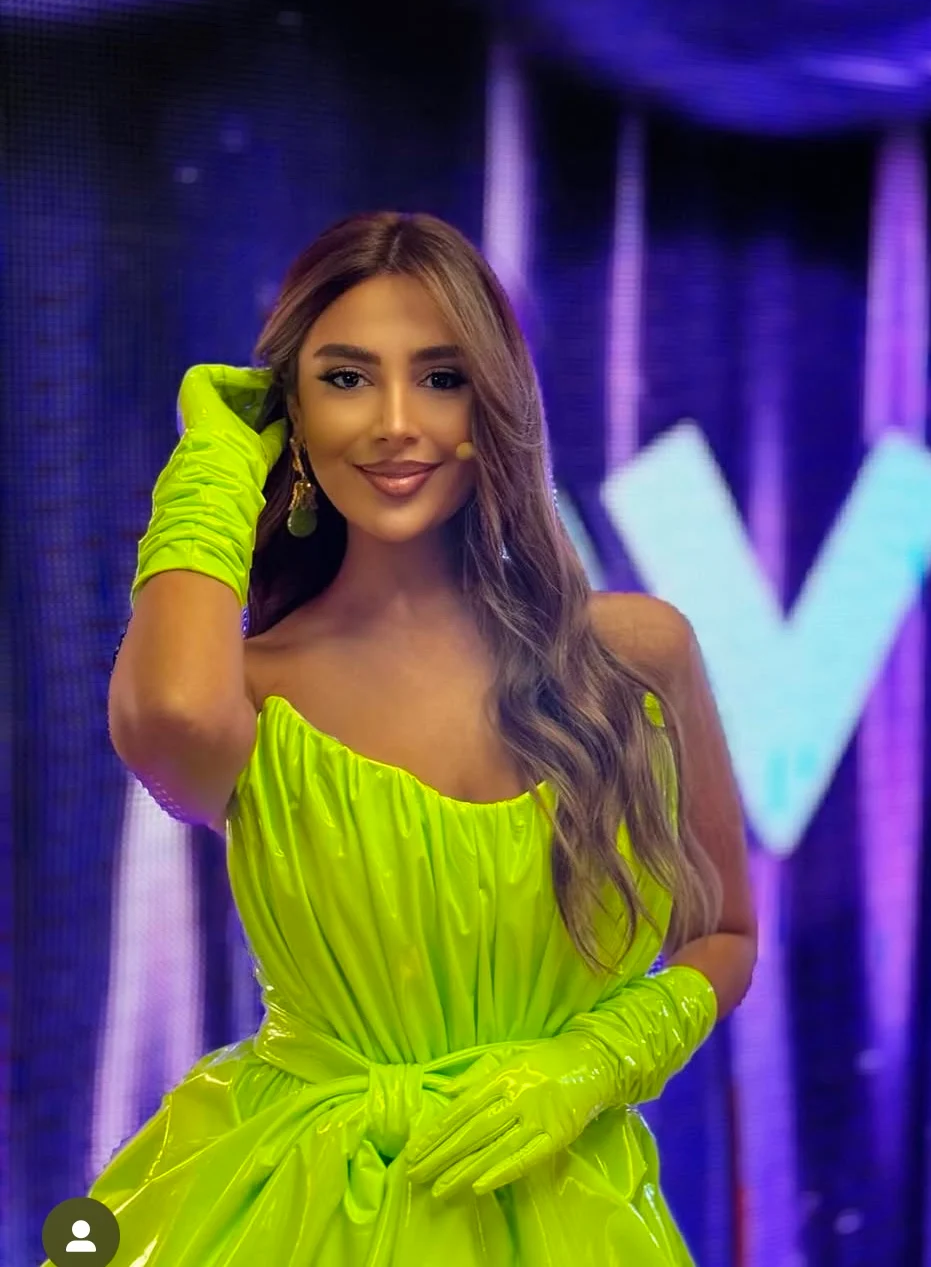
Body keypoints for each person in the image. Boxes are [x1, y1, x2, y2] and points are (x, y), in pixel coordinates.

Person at [74, 212, 757, 1265]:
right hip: (300, 1212)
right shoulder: (251, 689)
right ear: (291, 411)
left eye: (441, 377)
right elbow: (166, 717)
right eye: (346, 379)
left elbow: (727, 936)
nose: (397, 423)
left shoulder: (637, 654)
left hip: (571, 1210)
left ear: (495, 405)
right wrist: (215, 459)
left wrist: (591, 1064)